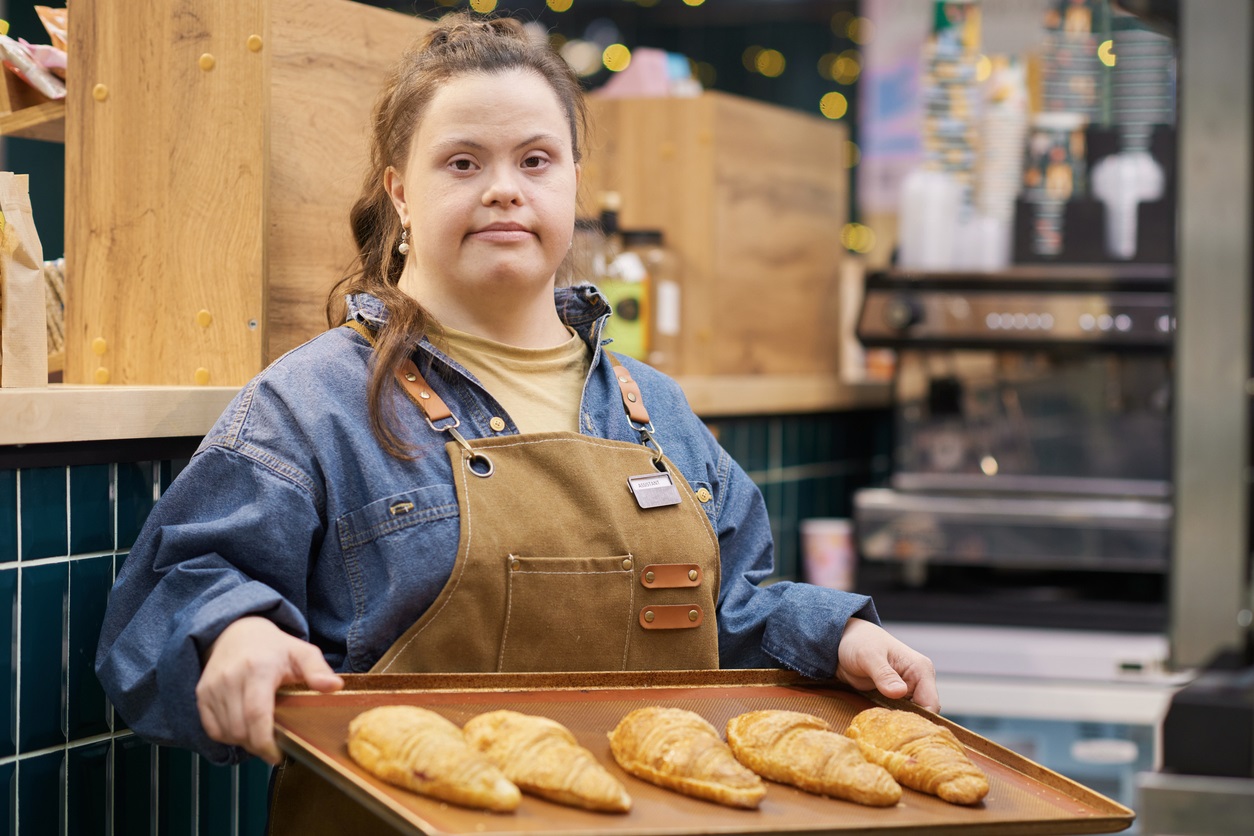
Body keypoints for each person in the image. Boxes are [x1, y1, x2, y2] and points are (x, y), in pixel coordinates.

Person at [95, 11, 937, 833]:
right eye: (462, 161)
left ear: (574, 181)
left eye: (535, 159)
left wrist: (837, 638)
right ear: (401, 192)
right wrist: (232, 634)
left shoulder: (655, 410)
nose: (504, 187)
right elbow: (164, 611)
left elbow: (737, 608)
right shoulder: (310, 404)